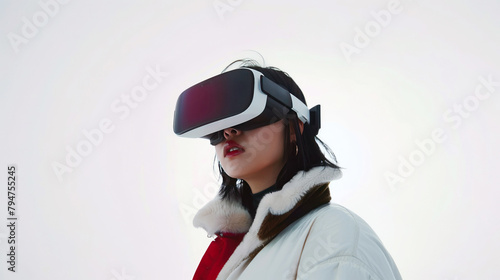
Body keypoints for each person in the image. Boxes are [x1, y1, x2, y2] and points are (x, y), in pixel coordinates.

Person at [173, 60, 402, 280]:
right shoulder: (229, 251)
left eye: (250, 116)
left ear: (295, 128)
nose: (228, 132)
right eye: (219, 125)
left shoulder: (334, 234)